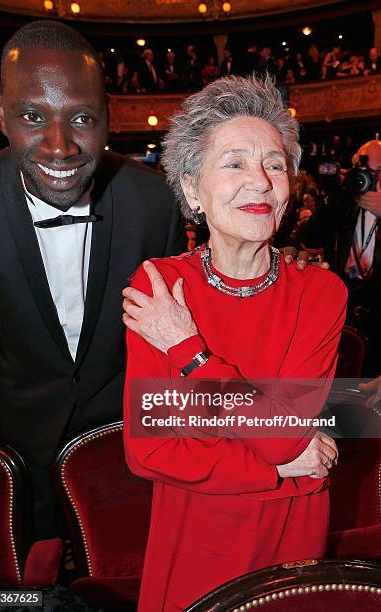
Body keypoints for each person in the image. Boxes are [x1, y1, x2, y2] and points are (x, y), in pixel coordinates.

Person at [123, 75, 346, 611]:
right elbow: (150, 450)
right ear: (192, 188)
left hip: (291, 529)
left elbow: (286, 435)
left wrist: (187, 350)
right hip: (197, 531)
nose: (261, 182)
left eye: (275, 164)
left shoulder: (320, 291)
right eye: (235, 163)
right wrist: (274, 467)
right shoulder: (156, 285)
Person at [0, 20, 184, 539]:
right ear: (0, 108)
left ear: (109, 112)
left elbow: (173, 330)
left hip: (124, 447)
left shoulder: (155, 202)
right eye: (31, 116)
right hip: (12, 445)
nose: (59, 146)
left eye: (82, 118)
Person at [303, 139, 381, 376]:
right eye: (368, 172)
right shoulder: (343, 204)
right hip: (342, 312)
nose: (373, 180)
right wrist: (331, 197)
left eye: (380, 172)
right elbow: (311, 239)